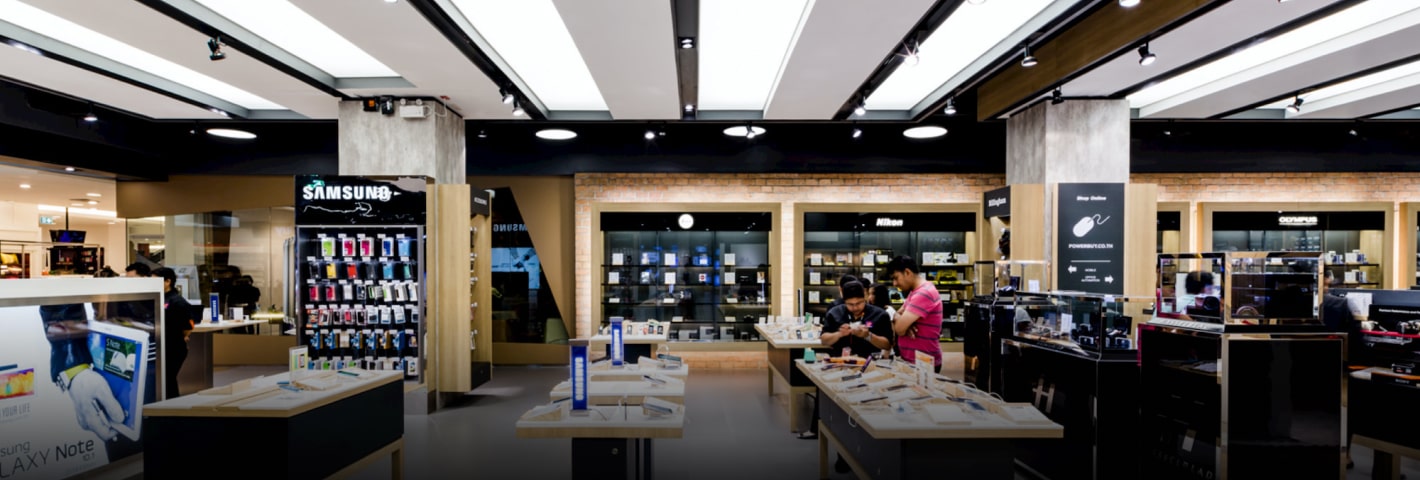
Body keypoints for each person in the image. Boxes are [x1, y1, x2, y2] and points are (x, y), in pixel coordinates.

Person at [799, 282, 893, 476]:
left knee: (868, 411)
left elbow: (887, 344)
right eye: (850, 304)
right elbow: (824, 339)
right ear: (844, 301)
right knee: (842, 413)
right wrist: (838, 334)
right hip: (839, 370)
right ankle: (844, 455)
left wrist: (868, 336)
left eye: (859, 303)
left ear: (865, 297)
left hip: (869, 370)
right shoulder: (835, 313)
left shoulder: (879, 315)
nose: (855, 308)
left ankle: (869, 454)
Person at [887, 255, 943, 372]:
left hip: (923, 363)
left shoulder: (923, 293)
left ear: (907, 272)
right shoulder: (915, 291)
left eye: (896, 278)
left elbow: (899, 329)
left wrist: (902, 323)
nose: (894, 283)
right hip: (915, 361)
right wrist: (904, 323)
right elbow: (898, 314)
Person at [153, 267, 194, 398]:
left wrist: (183, 336)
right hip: (162, 346)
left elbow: (188, 326)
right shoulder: (158, 298)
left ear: (168, 281)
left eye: (155, 281)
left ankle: (172, 405)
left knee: (168, 379)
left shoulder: (177, 301)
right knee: (163, 380)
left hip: (174, 348)